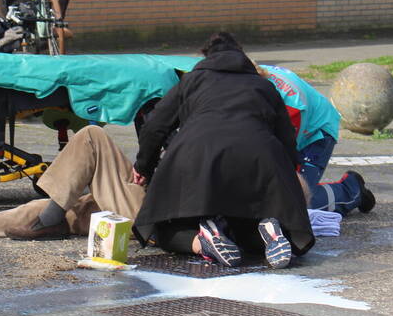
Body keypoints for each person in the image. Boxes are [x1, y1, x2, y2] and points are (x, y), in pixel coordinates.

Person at [0, 124, 374, 242]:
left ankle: (52, 202)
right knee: (79, 209)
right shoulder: (255, 146)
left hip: (153, 211)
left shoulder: (236, 146)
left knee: (91, 138)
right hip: (156, 214)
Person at [131, 32, 315, 269]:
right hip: (259, 160)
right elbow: (287, 139)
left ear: (205, 57)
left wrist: (143, 166)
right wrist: (286, 179)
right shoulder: (264, 86)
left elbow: (155, 125)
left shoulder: (191, 81)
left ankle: (203, 239)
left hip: (197, 157)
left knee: (164, 230)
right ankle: (268, 230)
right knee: (243, 226)